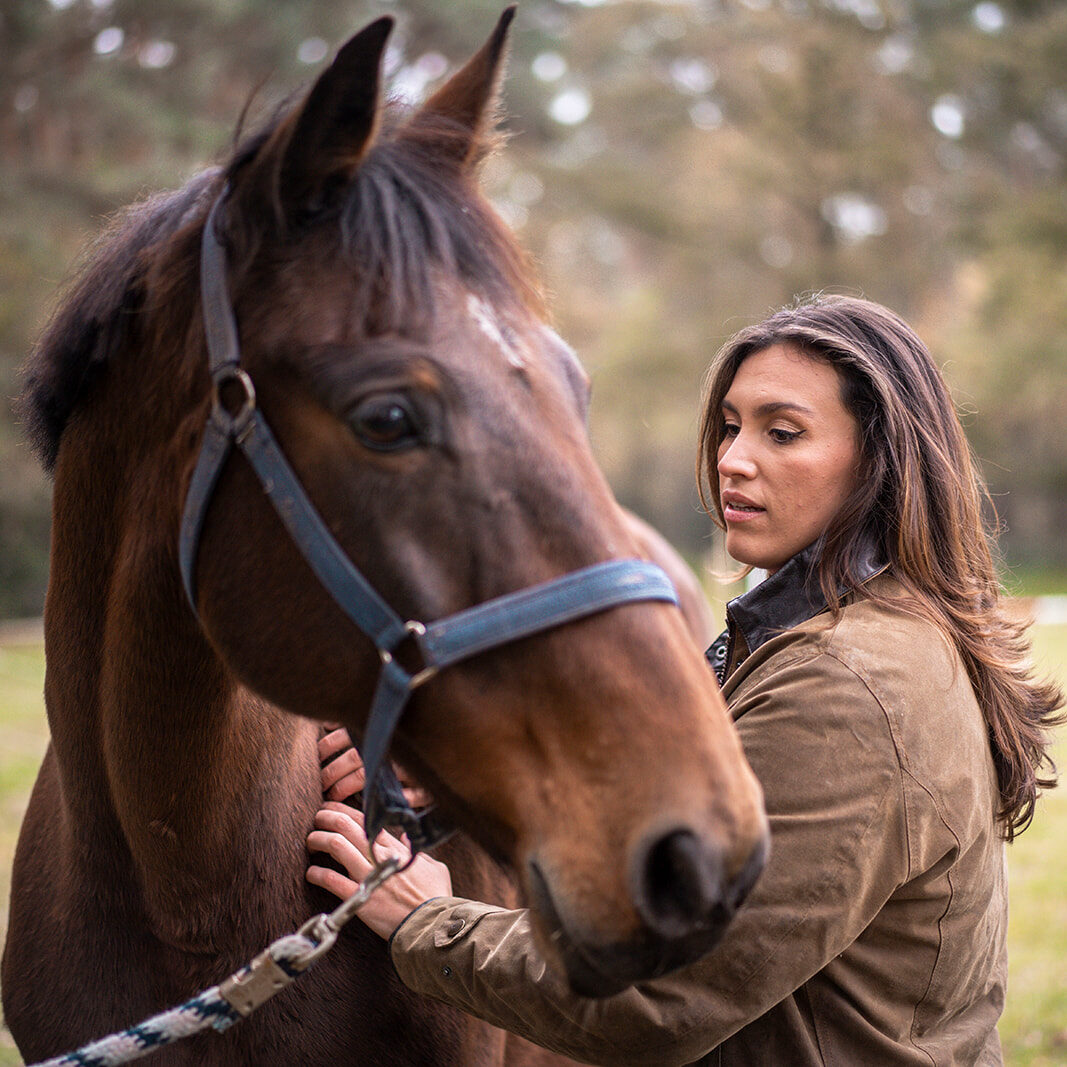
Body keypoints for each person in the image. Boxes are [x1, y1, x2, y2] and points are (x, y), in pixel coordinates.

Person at [306, 295, 1063, 1065]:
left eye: (782, 432)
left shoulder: (848, 683)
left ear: (879, 459)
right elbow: (689, 781)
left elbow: (659, 996)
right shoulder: (841, 629)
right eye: (731, 425)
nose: (733, 458)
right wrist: (454, 764)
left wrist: (427, 918)